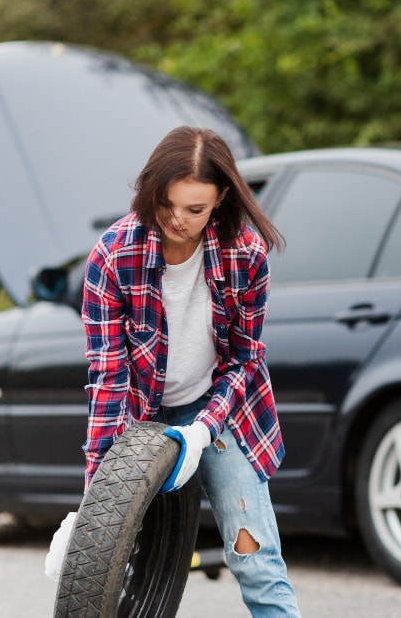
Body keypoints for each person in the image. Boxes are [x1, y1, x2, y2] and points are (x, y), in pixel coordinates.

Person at [81, 125, 301, 617]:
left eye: (195, 209)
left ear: (221, 199)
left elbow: (245, 358)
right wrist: (96, 502)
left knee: (256, 560)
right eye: (167, 204)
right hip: (142, 415)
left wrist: (204, 427)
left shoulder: (246, 255)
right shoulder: (114, 256)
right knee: (116, 566)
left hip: (221, 408)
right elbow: (108, 378)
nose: (177, 220)